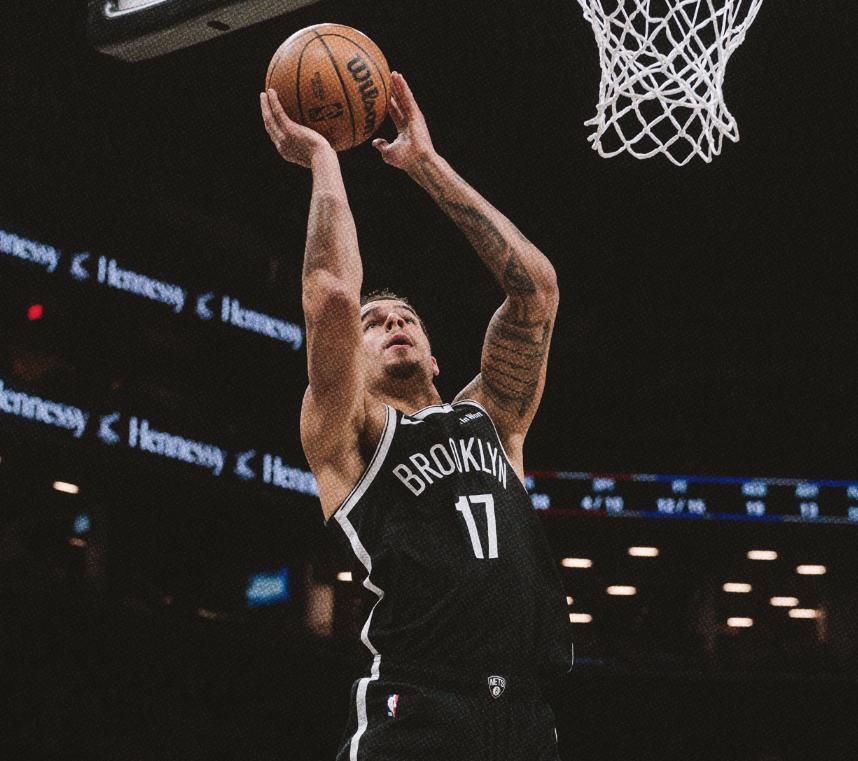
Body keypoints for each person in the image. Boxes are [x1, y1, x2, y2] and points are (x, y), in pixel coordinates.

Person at [260, 71, 573, 761]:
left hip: (526, 713)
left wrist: (425, 164)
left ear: (435, 357)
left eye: (406, 317)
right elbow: (332, 297)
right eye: (376, 323)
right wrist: (324, 159)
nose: (393, 323)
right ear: (355, 357)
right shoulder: (349, 432)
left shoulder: (493, 418)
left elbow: (536, 291)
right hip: (421, 703)